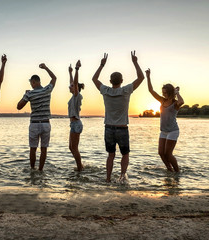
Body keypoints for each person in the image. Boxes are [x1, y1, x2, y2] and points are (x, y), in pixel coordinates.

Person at [92, 52, 144, 183]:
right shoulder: (126, 90)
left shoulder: (105, 90)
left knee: (111, 155)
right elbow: (141, 77)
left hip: (108, 128)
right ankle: (122, 176)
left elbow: (94, 79)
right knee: (125, 154)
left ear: (110, 81)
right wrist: (135, 62)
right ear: (122, 81)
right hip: (122, 129)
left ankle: (108, 179)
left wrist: (101, 65)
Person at [17, 63, 57, 171]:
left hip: (34, 124)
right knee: (44, 149)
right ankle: (40, 170)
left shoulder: (30, 94)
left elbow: (19, 107)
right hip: (45, 123)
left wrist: (25, 95)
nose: (31, 84)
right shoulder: (47, 89)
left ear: (34, 82)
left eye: (31, 82)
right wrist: (46, 68)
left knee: (33, 149)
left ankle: (32, 170)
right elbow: (54, 78)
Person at [145, 68, 184, 172]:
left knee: (168, 153)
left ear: (171, 92)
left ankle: (177, 171)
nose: (164, 94)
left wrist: (177, 92)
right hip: (163, 131)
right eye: (163, 93)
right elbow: (151, 91)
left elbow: (182, 101)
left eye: (166, 93)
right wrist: (148, 77)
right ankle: (169, 170)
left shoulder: (175, 103)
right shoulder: (162, 100)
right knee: (161, 153)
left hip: (173, 131)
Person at [68, 60, 85, 171]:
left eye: (72, 86)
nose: (69, 86)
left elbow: (75, 81)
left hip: (76, 124)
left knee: (74, 148)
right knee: (71, 147)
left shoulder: (77, 96)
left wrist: (76, 69)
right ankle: (80, 166)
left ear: (75, 88)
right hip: (73, 124)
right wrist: (70, 72)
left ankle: (80, 168)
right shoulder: (73, 97)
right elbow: (73, 82)